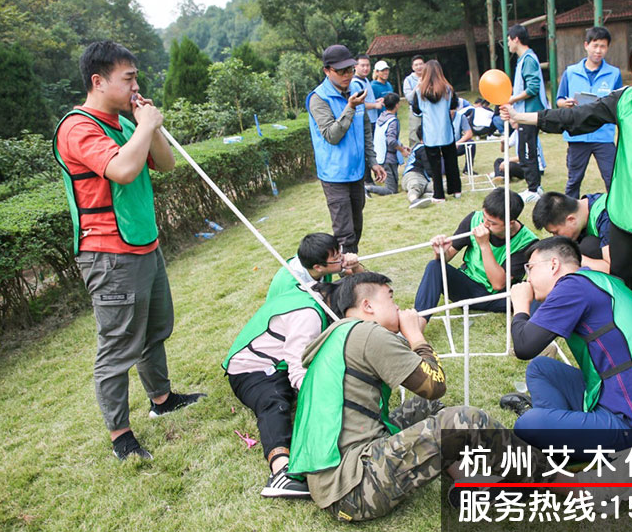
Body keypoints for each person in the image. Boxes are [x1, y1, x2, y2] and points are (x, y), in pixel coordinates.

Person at [502, 28, 632, 367]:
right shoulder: (629, 98)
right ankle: (624, 328)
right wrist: (525, 117)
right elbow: (579, 116)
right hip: (625, 207)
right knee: (619, 276)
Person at [287, 272, 545, 522]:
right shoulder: (367, 334)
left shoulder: (339, 336)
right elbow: (434, 385)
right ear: (367, 306)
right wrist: (416, 336)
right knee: (464, 421)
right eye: (391, 298)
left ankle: (471, 483)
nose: (398, 307)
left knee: (425, 407)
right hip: (354, 490)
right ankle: (554, 479)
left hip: (333, 478)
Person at [53, 41, 204, 461]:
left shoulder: (123, 122)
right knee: (118, 345)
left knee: (155, 329)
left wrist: (149, 127)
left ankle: (162, 399)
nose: (136, 86)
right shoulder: (78, 127)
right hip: (109, 254)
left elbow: (165, 163)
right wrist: (143, 126)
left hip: (143, 243)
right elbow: (121, 169)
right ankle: (121, 436)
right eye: (129, 78)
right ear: (98, 81)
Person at [501, 237, 632, 454]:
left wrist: (521, 305)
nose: (528, 279)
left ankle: (557, 436)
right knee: (541, 368)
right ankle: (561, 435)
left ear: (553, 265)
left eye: (530, 268)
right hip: (618, 397)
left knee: (529, 424)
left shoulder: (573, 287)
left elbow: (524, 346)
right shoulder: (597, 281)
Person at [223, 233, 345, 498]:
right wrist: (319, 393)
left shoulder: (317, 290)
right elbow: (297, 366)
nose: (342, 258)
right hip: (250, 369)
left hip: (277, 358)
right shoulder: (308, 315)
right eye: (336, 256)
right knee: (275, 401)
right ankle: (280, 473)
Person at [307, 44, 386, 254]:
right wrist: (350, 107)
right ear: (327, 70)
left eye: (350, 69)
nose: (347, 75)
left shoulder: (355, 92)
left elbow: (365, 130)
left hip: (356, 171)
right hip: (334, 174)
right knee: (344, 232)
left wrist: (373, 161)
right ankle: (347, 270)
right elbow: (332, 135)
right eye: (341, 71)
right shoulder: (318, 99)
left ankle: (349, 264)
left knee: (357, 225)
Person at [532, 191, 632, 306]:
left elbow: (614, 269)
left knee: (588, 247)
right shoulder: (587, 205)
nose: (556, 236)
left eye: (556, 232)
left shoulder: (607, 217)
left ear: (571, 219)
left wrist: (573, 258)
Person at [414, 188, 537, 317]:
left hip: (497, 297)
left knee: (533, 292)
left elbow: (498, 284)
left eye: (492, 223)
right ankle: (418, 320)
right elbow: (447, 256)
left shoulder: (527, 242)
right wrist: (440, 252)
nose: (485, 224)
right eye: (484, 217)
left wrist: (484, 245)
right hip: (466, 286)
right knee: (434, 266)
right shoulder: (474, 219)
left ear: (510, 223)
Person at [555, 26, 623, 198]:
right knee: (574, 180)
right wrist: (566, 104)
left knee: (612, 179)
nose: (598, 51)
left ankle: (616, 211)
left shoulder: (614, 74)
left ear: (608, 48)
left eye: (603, 46)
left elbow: (619, 102)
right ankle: (569, 211)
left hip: (603, 135)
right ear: (586, 45)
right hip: (577, 134)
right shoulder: (571, 72)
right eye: (595, 45)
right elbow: (559, 100)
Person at [507, 24, 549, 203]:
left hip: (530, 114)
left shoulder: (529, 59)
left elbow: (532, 88)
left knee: (526, 152)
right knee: (525, 150)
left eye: (509, 40)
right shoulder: (523, 59)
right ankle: (535, 187)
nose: (508, 44)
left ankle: (533, 189)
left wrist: (512, 100)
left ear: (516, 39)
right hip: (524, 113)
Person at [411, 59, 461, 202]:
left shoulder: (419, 91)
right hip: (446, 131)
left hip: (430, 133)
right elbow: (454, 105)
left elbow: (416, 111)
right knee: (451, 161)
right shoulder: (448, 89)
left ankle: (439, 195)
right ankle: (455, 189)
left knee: (434, 165)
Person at [366, 93, 409, 196]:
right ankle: (367, 188)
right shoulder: (392, 121)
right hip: (388, 158)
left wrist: (402, 146)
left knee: (394, 186)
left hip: (380, 155)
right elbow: (391, 140)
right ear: (397, 105)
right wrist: (402, 150)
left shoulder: (381, 117)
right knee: (391, 190)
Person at [402, 127, 434, 209]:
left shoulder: (429, 148)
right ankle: (414, 200)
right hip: (413, 174)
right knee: (416, 185)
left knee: (441, 185)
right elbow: (429, 169)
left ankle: (427, 194)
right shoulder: (422, 148)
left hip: (425, 178)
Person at [352, 54, 384, 124]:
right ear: (355, 66)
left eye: (368, 65)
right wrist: (375, 105)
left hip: (373, 119)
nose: (366, 68)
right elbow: (358, 104)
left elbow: (367, 100)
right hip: (364, 122)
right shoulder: (355, 83)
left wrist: (375, 101)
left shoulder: (365, 79)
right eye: (362, 65)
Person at [402, 55, 425, 147]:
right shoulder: (408, 80)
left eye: (421, 64)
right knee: (415, 137)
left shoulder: (429, 77)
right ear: (412, 67)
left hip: (429, 111)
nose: (419, 67)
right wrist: (417, 86)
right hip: (415, 112)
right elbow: (409, 98)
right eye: (416, 65)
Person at [452, 106, 475, 174]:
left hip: (457, 146)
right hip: (443, 148)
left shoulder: (461, 117)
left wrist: (458, 143)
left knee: (470, 143)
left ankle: (468, 169)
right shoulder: (439, 118)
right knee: (444, 172)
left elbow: (469, 134)